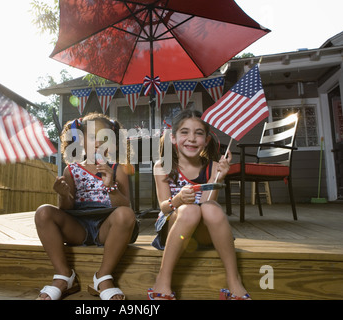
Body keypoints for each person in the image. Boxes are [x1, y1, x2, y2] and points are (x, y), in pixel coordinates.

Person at [148, 109, 250, 300]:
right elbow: (163, 207)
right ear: (173, 138)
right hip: (174, 228)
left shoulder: (212, 166)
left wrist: (219, 176)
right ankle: (163, 278)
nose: (192, 138)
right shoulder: (163, 165)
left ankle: (234, 280)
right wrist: (177, 200)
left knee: (210, 208)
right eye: (185, 132)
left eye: (199, 133)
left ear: (207, 140)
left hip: (202, 233)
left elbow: (208, 204)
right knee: (189, 211)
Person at [35, 112, 138, 300]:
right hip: (78, 227)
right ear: (80, 141)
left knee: (125, 215)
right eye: (92, 137)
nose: (98, 143)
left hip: (106, 227)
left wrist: (111, 187)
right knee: (43, 212)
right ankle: (64, 275)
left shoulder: (118, 168)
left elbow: (125, 207)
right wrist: (64, 194)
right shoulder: (71, 169)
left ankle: (103, 277)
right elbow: (66, 209)